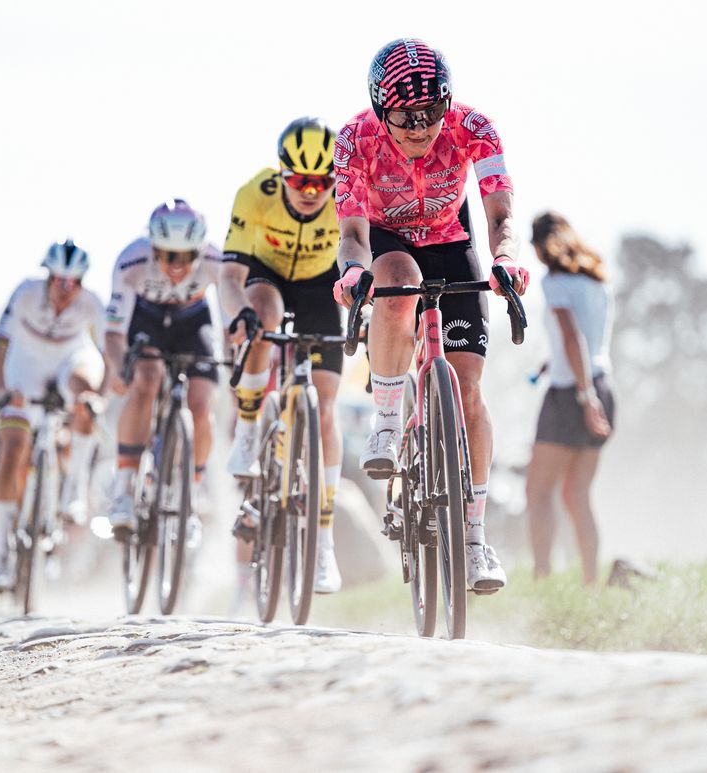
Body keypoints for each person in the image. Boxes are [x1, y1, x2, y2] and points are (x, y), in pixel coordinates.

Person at [331, 38, 530, 593]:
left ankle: (473, 537)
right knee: (397, 283)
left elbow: (501, 211)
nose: (421, 128)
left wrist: (507, 260)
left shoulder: (475, 128)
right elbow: (351, 235)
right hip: (387, 240)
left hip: (452, 238)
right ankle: (389, 422)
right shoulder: (352, 141)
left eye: (431, 114)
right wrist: (352, 273)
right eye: (406, 118)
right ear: (379, 107)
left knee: (467, 392)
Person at [220, 117, 346, 593]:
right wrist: (239, 316)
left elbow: (363, 258)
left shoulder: (346, 194)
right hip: (266, 277)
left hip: (319, 287)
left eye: (322, 182)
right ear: (282, 174)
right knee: (261, 315)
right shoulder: (255, 193)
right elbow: (229, 278)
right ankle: (250, 431)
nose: (311, 191)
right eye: (300, 181)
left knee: (327, 410)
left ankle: (323, 543)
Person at [0, 239, 106, 593]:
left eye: (74, 283)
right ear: (49, 277)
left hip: (70, 361)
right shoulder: (24, 293)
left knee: (85, 396)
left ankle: (73, 488)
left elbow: (109, 352)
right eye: (59, 281)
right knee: (13, 449)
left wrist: (102, 392)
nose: (66, 290)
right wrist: (2, 391)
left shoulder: (92, 304)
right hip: (25, 368)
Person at [105, 200, 222, 541]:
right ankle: (124, 491)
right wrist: (118, 367)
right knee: (146, 379)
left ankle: (193, 494)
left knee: (202, 404)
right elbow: (113, 332)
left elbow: (230, 322)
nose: (176, 265)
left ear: (199, 250)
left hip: (193, 321)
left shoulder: (216, 260)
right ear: (153, 247)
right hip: (147, 319)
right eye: (167, 255)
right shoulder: (131, 261)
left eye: (186, 256)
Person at [523, 212, 615, 585]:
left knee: (538, 490)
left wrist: (584, 396)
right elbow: (587, 343)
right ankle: (591, 584)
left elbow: (570, 333)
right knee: (578, 493)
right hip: (603, 385)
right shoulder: (597, 282)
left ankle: (542, 578)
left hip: (573, 394)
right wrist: (551, 365)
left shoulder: (554, 281)